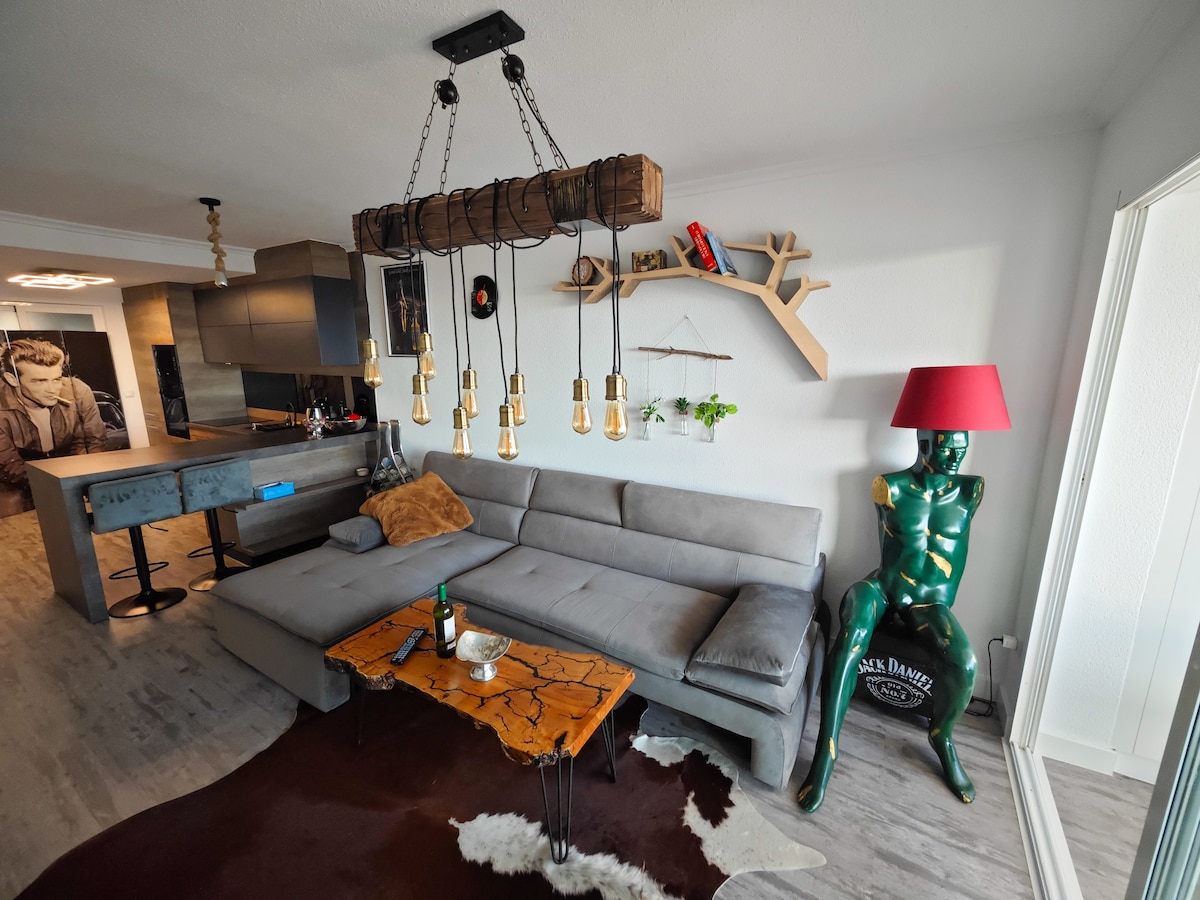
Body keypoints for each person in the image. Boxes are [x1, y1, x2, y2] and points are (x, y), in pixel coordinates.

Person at [798, 429, 981, 812]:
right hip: (883, 587)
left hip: (930, 605)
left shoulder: (970, 490)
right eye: (948, 448)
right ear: (924, 443)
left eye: (961, 449)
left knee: (964, 662)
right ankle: (825, 752)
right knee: (851, 635)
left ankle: (942, 736)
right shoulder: (890, 486)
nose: (955, 457)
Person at [0, 339, 108, 516]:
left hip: (68, 465)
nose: (52, 389)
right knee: (10, 503)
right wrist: (61, 487)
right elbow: (9, 466)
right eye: (39, 381)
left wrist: (81, 479)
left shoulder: (78, 391)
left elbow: (92, 441)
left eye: (56, 379)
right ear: (13, 379)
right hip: (18, 475)